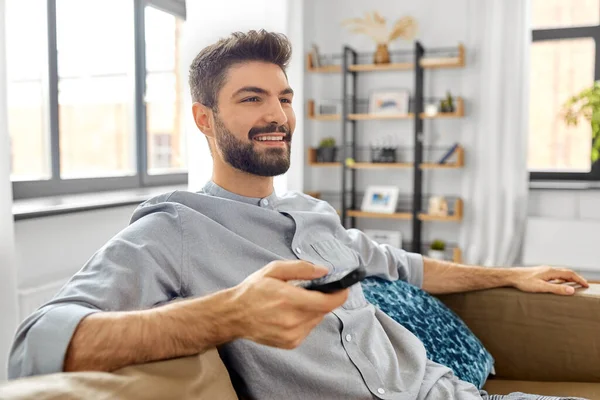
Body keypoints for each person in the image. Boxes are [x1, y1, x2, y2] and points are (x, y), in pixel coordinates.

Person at [8, 30, 589, 400]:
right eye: (251, 98)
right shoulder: (173, 228)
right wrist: (228, 314)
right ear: (203, 120)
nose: (277, 115)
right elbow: (34, 344)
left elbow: (406, 268)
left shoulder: (314, 212)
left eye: (283, 97)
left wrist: (513, 274)